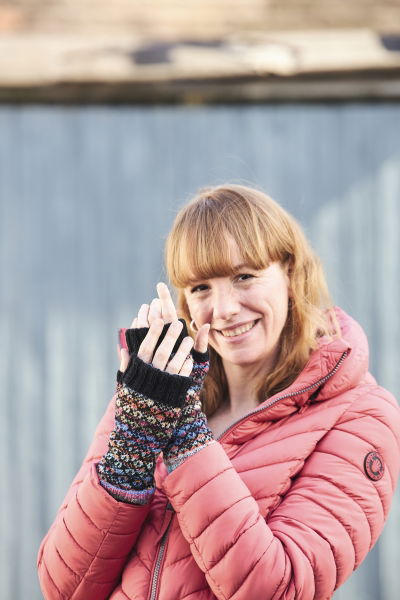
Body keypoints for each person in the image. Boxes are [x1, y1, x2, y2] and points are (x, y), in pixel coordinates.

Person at [37, 184, 400, 600]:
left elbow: (279, 589)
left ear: (289, 272)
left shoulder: (360, 415)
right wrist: (131, 447)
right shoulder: (152, 396)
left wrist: (186, 436)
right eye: (201, 288)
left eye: (244, 277)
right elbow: (63, 587)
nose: (224, 309)